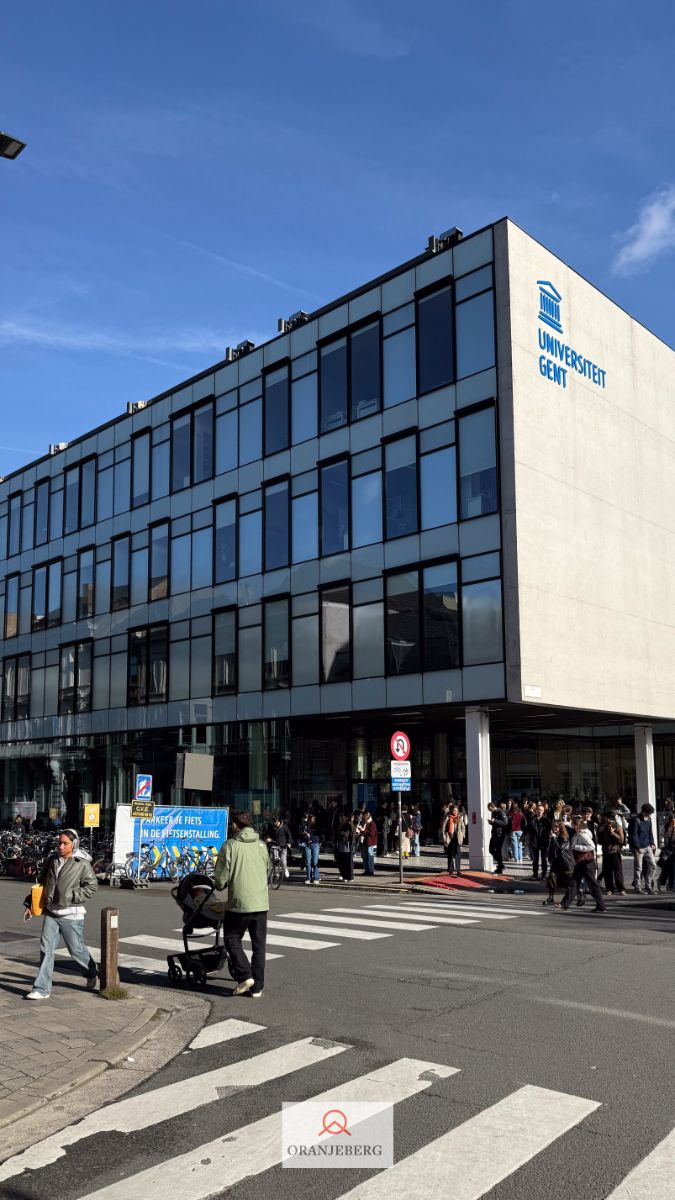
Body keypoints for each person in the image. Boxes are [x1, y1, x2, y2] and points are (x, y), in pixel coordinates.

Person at [23, 828, 98, 1000]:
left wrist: (72, 896)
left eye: (65, 843)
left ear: (74, 844)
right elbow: (41, 884)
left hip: (71, 913)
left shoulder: (81, 863)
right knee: (46, 949)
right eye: (59, 843)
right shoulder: (52, 860)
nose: (61, 847)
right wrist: (29, 903)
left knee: (76, 950)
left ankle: (91, 972)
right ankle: (41, 989)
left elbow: (92, 886)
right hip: (51, 911)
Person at [214, 810, 269, 999]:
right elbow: (268, 869)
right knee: (259, 945)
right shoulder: (262, 845)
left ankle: (245, 975)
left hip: (239, 903)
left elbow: (221, 878)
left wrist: (220, 884)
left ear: (235, 825)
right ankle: (258, 987)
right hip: (261, 903)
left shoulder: (230, 845)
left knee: (231, 937)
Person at [560, 817, 606, 913]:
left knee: (592, 885)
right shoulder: (579, 833)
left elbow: (592, 846)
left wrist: (577, 847)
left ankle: (601, 906)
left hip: (587, 862)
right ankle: (564, 904)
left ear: (577, 825)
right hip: (581, 862)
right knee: (574, 883)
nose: (572, 826)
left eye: (573, 824)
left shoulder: (583, 834)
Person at [628, 804, 657, 894]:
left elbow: (650, 832)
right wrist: (637, 847)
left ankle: (648, 886)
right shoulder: (636, 820)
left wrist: (652, 843)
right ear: (643, 812)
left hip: (647, 846)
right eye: (648, 814)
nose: (650, 816)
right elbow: (633, 835)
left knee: (653, 866)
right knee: (638, 868)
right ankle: (638, 887)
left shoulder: (649, 819)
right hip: (639, 847)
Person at [545, 821, 574, 906]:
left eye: (556, 827)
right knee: (551, 878)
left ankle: (580, 895)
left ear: (560, 827)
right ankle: (550, 898)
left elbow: (561, 849)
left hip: (564, 863)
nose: (554, 828)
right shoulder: (554, 836)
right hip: (556, 861)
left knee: (569, 881)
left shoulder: (564, 837)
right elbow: (551, 849)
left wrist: (554, 839)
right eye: (553, 826)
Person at [598, 811, 626, 896]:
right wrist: (601, 832)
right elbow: (599, 841)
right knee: (607, 872)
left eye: (610, 818)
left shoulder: (617, 826)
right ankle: (610, 889)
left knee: (618, 871)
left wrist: (612, 833)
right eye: (607, 818)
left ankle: (621, 888)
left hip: (615, 851)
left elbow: (621, 840)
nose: (608, 820)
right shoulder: (602, 827)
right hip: (606, 851)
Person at [527, 803, 552, 880]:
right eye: (538, 810)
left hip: (544, 842)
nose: (539, 811)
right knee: (535, 860)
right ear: (536, 810)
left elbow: (549, 830)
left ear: (543, 811)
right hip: (534, 842)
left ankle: (544, 875)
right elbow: (527, 830)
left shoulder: (547, 820)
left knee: (544, 860)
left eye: (541, 810)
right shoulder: (531, 819)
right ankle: (535, 874)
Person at [297, 813, 322, 885]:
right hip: (307, 844)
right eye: (311, 820)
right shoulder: (305, 826)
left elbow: (320, 834)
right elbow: (300, 834)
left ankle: (316, 878)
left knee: (315, 861)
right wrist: (305, 835)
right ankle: (308, 878)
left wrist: (320, 841)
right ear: (308, 820)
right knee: (308, 862)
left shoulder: (317, 826)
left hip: (315, 844)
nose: (312, 821)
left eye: (314, 820)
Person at [265, 815, 292, 879]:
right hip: (274, 844)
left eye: (276, 822)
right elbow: (267, 834)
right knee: (274, 859)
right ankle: (276, 872)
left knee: (283, 860)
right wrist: (268, 838)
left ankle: (285, 869)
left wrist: (289, 843)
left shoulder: (284, 826)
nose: (275, 824)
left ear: (279, 821)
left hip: (283, 845)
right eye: (274, 822)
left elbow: (289, 835)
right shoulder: (271, 827)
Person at [444, 804, 466, 875]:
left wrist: (462, 835)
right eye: (454, 810)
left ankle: (458, 870)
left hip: (457, 837)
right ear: (451, 811)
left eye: (456, 811)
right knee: (450, 854)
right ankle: (451, 869)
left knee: (458, 854)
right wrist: (444, 837)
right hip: (450, 837)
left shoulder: (460, 817)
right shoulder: (447, 817)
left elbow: (463, 827)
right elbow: (443, 828)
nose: (455, 812)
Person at [335, 812, 355, 882]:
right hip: (344, 844)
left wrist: (341, 833)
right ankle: (346, 876)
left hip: (347, 844)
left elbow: (347, 834)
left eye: (343, 817)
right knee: (344, 861)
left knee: (347, 861)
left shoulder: (348, 824)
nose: (342, 818)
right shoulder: (344, 824)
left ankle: (349, 876)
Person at [657, 814, 675, 892]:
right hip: (669, 851)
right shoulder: (668, 828)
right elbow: (662, 836)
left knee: (672, 869)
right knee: (667, 868)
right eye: (673, 821)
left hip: (672, 851)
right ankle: (662, 882)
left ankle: (670, 885)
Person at [488, 803, 508, 874]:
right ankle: (501, 865)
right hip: (494, 833)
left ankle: (500, 867)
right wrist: (491, 822)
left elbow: (505, 822)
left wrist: (495, 821)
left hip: (500, 834)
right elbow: (496, 823)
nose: (490, 811)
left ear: (492, 807)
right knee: (491, 850)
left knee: (498, 850)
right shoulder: (493, 812)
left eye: (490, 809)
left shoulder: (500, 812)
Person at [357, 810, 378, 875]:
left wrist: (364, 830)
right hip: (364, 842)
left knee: (370, 857)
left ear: (368, 816)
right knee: (364, 857)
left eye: (364, 816)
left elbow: (372, 833)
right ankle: (366, 870)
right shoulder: (364, 823)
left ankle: (370, 871)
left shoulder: (372, 823)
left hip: (370, 843)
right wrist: (360, 831)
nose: (363, 817)